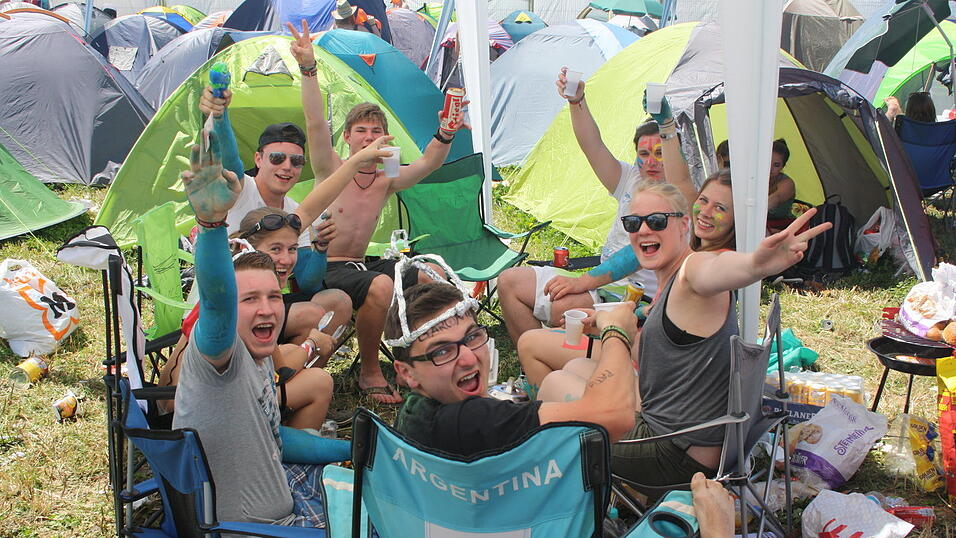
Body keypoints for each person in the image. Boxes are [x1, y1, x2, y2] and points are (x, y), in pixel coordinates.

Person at [384, 264, 735, 536]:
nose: (468, 358)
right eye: (441, 351)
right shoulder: (475, 421)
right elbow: (612, 415)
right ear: (407, 373)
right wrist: (616, 334)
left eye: (472, 337)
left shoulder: (416, 418)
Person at [525, 182, 830, 488]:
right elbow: (661, 361)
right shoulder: (672, 278)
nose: (643, 230)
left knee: (554, 383)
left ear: (684, 224)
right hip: (690, 434)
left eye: (657, 221)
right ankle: (593, 473)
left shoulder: (691, 270)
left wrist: (754, 264)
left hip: (674, 456)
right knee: (577, 368)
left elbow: (715, 269)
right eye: (633, 223)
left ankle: (566, 479)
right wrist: (610, 327)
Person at [172, 132, 363, 528]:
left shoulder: (261, 352)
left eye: (274, 297)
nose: (267, 310)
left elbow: (275, 436)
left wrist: (356, 448)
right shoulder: (220, 352)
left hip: (287, 490)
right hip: (262, 528)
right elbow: (216, 299)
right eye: (250, 300)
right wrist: (210, 226)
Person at [288, 20, 465, 404]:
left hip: (361, 262)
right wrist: (308, 68)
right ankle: (369, 371)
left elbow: (426, 166)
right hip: (324, 266)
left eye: (376, 132)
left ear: (385, 140)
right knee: (382, 285)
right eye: (362, 131)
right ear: (348, 138)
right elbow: (316, 123)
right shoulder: (331, 167)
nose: (369, 138)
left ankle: (420, 357)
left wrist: (447, 132)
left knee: (431, 274)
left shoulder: (384, 177)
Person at [497, 70, 697, 346]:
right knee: (508, 282)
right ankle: (536, 368)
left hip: (635, 298)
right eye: (643, 154)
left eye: (659, 153)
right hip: (601, 284)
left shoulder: (678, 199)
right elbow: (592, 146)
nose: (651, 161)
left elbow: (635, 254)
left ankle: (555, 363)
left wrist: (667, 127)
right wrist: (577, 102)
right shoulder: (629, 178)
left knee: (562, 310)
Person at [518, 170, 736, 389]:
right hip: (642, 362)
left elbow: (658, 359)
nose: (706, 212)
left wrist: (612, 328)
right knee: (562, 364)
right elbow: (659, 330)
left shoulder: (705, 267)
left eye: (720, 208)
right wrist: (604, 320)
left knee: (540, 355)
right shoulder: (685, 258)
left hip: (653, 390)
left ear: (683, 224)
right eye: (703, 201)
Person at [767, 138, 796, 231]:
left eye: (776, 165)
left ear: (783, 167)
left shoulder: (787, 183)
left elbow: (776, 198)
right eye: (767, 162)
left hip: (783, 228)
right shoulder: (753, 179)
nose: (770, 168)